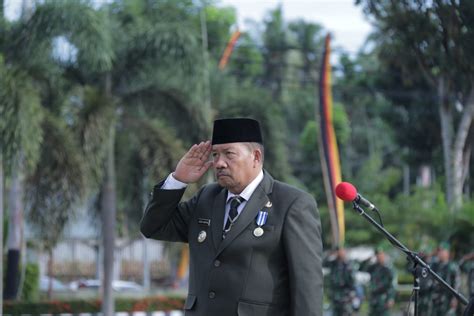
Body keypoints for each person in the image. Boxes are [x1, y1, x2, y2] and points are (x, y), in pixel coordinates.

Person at [140, 118, 323, 316]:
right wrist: (178, 180)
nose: (219, 163)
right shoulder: (206, 198)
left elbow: (307, 284)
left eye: (229, 154)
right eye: (215, 154)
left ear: (256, 156)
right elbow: (153, 227)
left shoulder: (291, 203)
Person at [359, 247, 396, 316]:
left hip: (384, 299)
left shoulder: (388, 269)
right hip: (374, 299)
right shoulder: (373, 267)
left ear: (384, 255)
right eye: (377, 255)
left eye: (381, 255)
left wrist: (391, 298)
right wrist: (369, 258)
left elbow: (391, 285)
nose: (379, 257)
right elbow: (361, 268)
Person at [324, 247, 357, 316]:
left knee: (346, 313)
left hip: (345, 295)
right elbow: (323, 263)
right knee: (335, 313)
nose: (340, 253)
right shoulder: (333, 264)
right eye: (338, 252)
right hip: (335, 295)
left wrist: (352, 294)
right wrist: (330, 254)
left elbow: (352, 281)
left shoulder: (348, 265)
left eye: (341, 251)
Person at [430, 242, 460, 316]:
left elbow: (456, 284)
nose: (440, 253)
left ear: (447, 252)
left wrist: (454, 299)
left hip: (447, 300)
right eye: (439, 251)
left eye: (442, 250)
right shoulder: (434, 265)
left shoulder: (453, 267)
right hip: (435, 300)